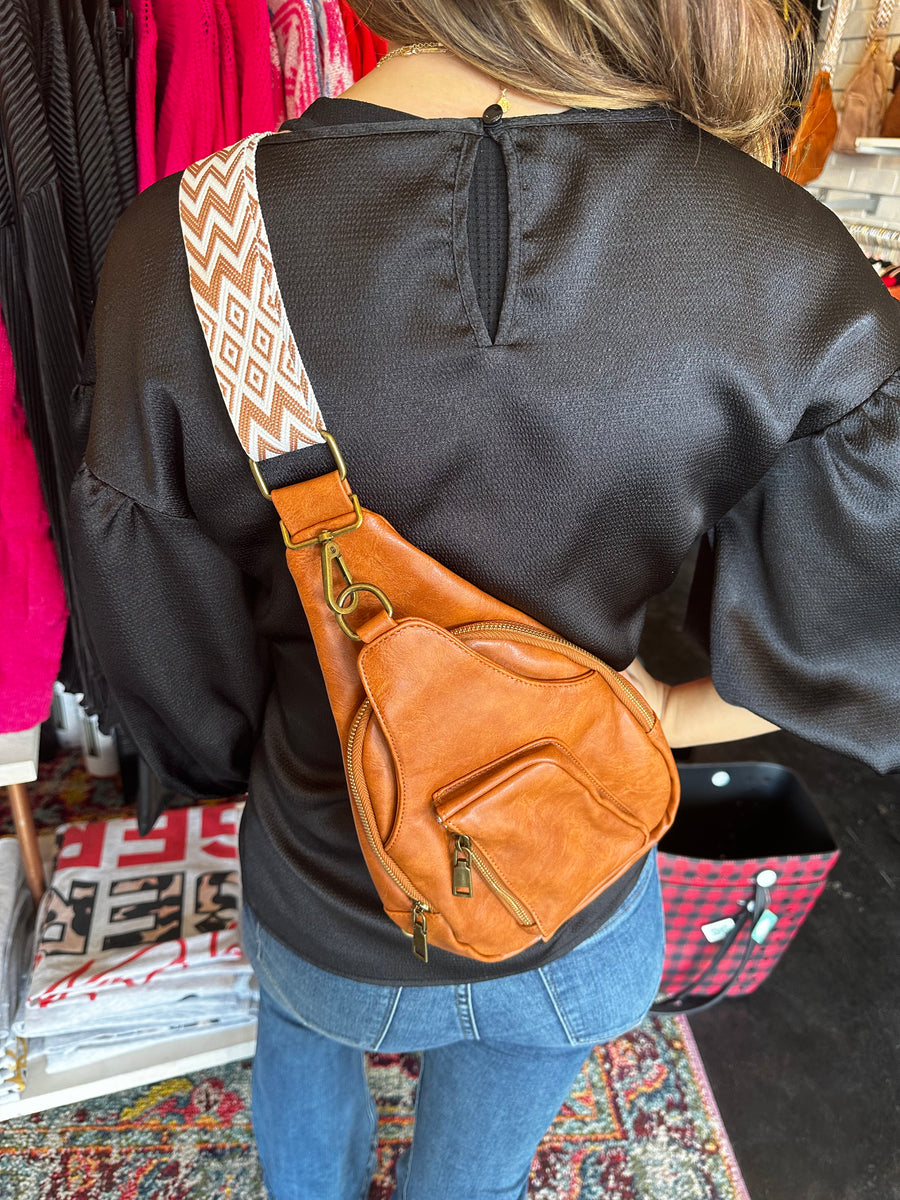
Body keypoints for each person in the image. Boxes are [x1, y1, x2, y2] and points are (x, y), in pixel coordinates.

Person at [68, 1, 900, 1197]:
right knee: (481, 1173)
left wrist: (278, 747)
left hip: (324, 868)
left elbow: (170, 662)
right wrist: (664, 713)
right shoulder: (784, 260)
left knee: (302, 1060)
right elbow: (870, 636)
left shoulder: (185, 246)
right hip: (575, 889)